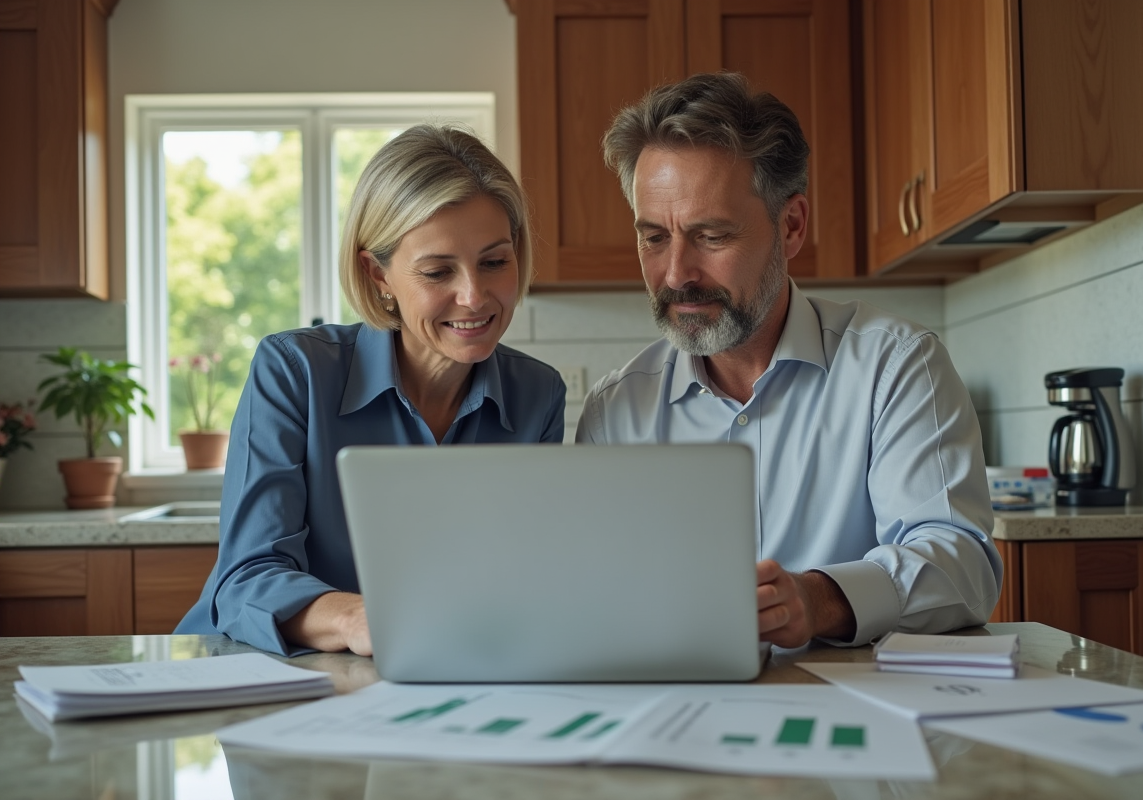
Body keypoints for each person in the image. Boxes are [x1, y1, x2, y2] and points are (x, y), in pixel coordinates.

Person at [580, 72, 1001, 649]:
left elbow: (962, 567)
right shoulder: (615, 411)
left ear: (792, 225)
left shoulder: (895, 367)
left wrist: (820, 599)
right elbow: (592, 594)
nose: (676, 273)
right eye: (654, 238)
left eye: (712, 235)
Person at [177, 125, 567, 656]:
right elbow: (245, 579)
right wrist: (362, 619)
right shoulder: (295, 371)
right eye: (437, 271)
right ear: (377, 273)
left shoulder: (538, 395)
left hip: (425, 681)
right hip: (259, 683)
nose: (474, 296)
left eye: (495, 261)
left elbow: (523, 578)